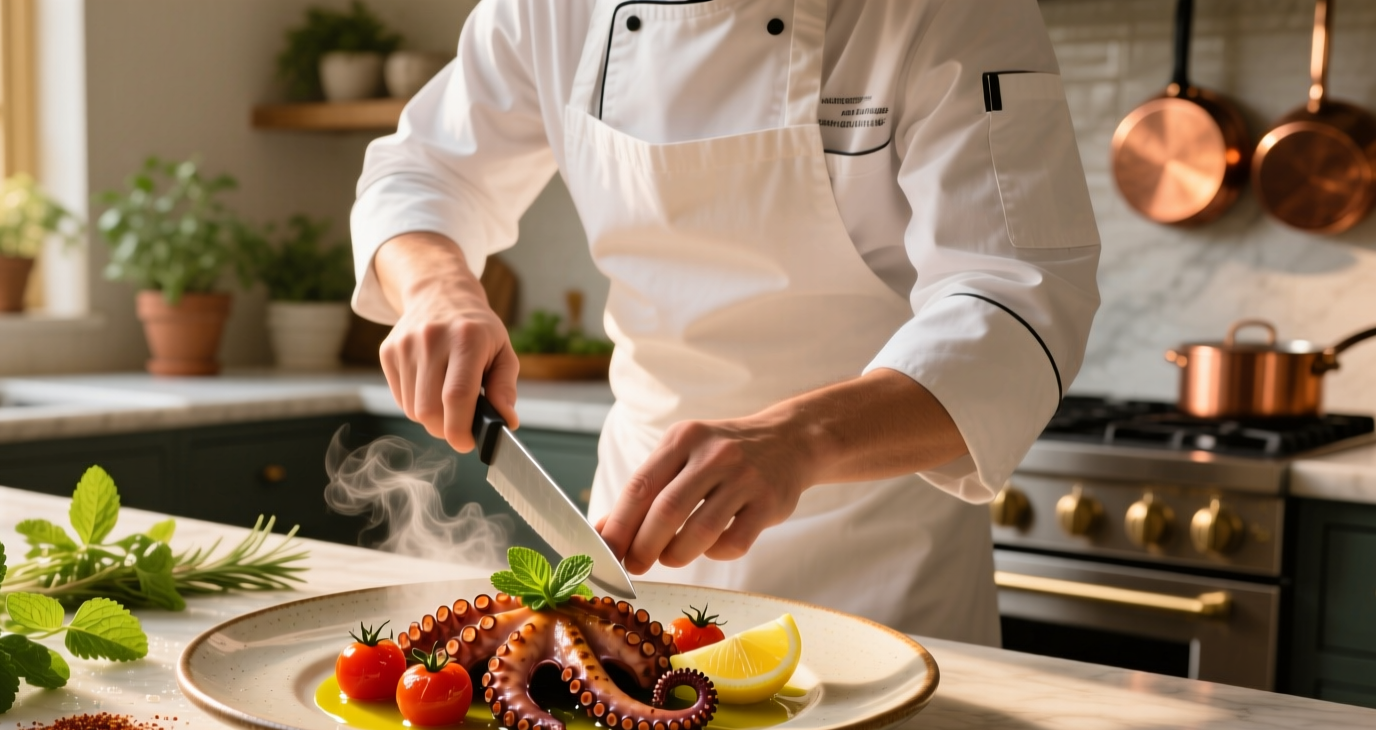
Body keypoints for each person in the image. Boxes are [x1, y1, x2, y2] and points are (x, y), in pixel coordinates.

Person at [349, 0, 1100, 644]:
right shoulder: (547, 10)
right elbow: (420, 171)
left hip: (879, 569)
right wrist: (437, 288)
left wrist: (801, 438)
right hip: (636, 544)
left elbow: (1019, 300)